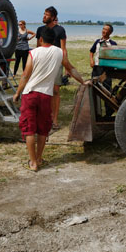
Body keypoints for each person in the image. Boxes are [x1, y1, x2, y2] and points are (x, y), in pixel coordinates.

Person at [14, 27, 86, 171]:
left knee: (29, 129)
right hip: (46, 95)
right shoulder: (59, 52)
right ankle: (39, 158)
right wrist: (83, 82)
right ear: (54, 40)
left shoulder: (33, 53)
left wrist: (17, 93)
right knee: (42, 129)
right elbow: (71, 69)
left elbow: (25, 75)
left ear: (40, 39)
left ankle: (33, 162)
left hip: (30, 94)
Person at [35, 6, 67, 128]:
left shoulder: (60, 30)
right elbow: (38, 48)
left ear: (53, 17)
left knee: (55, 91)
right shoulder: (40, 29)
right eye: (44, 13)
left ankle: (54, 120)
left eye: (47, 14)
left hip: (56, 63)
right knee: (41, 90)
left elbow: (63, 49)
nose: (44, 16)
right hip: (42, 64)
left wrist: (66, 66)